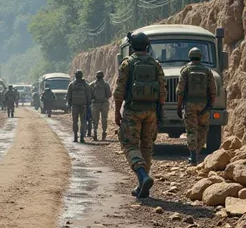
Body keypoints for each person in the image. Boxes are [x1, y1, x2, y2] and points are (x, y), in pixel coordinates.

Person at [114, 32, 166, 199]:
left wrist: (117, 110)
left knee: (129, 144)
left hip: (132, 111)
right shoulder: (155, 64)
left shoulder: (127, 64)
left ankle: (143, 176)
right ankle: (143, 185)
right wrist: (159, 111)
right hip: (151, 111)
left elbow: (120, 90)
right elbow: (162, 90)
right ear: (147, 46)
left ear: (132, 46)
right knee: (147, 146)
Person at [177, 47, 217, 166]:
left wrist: (179, 106)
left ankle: (193, 156)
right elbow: (213, 91)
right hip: (203, 105)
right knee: (203, 129)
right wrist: (210, 105)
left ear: (190, 57)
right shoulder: (207, 71)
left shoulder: (185, 71)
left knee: (191, 130)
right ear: (201, 57)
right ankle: (197, 153)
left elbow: (180, 91)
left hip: (189, 105)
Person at [66, 70, 91, 143]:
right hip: (83, 105)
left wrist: (69, 104)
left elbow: (68, 95)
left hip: (75, 106)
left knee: (75, 121)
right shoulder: (85, 84)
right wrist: (88, 104)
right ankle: (82, 137)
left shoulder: (72, 84)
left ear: (75, 75)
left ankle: (75, 137)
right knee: (83, 121)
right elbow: (88, 95)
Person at [90, 71, 112, 141]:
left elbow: (89, 95)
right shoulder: (106, 84)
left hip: (95, 104)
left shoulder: (92, 84)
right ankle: (104, 133)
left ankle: (95, 132)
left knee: (95, 119)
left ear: (96, 76)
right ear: (103, 76)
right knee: (104, 119)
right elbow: (109, 95)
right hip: (104, 104)